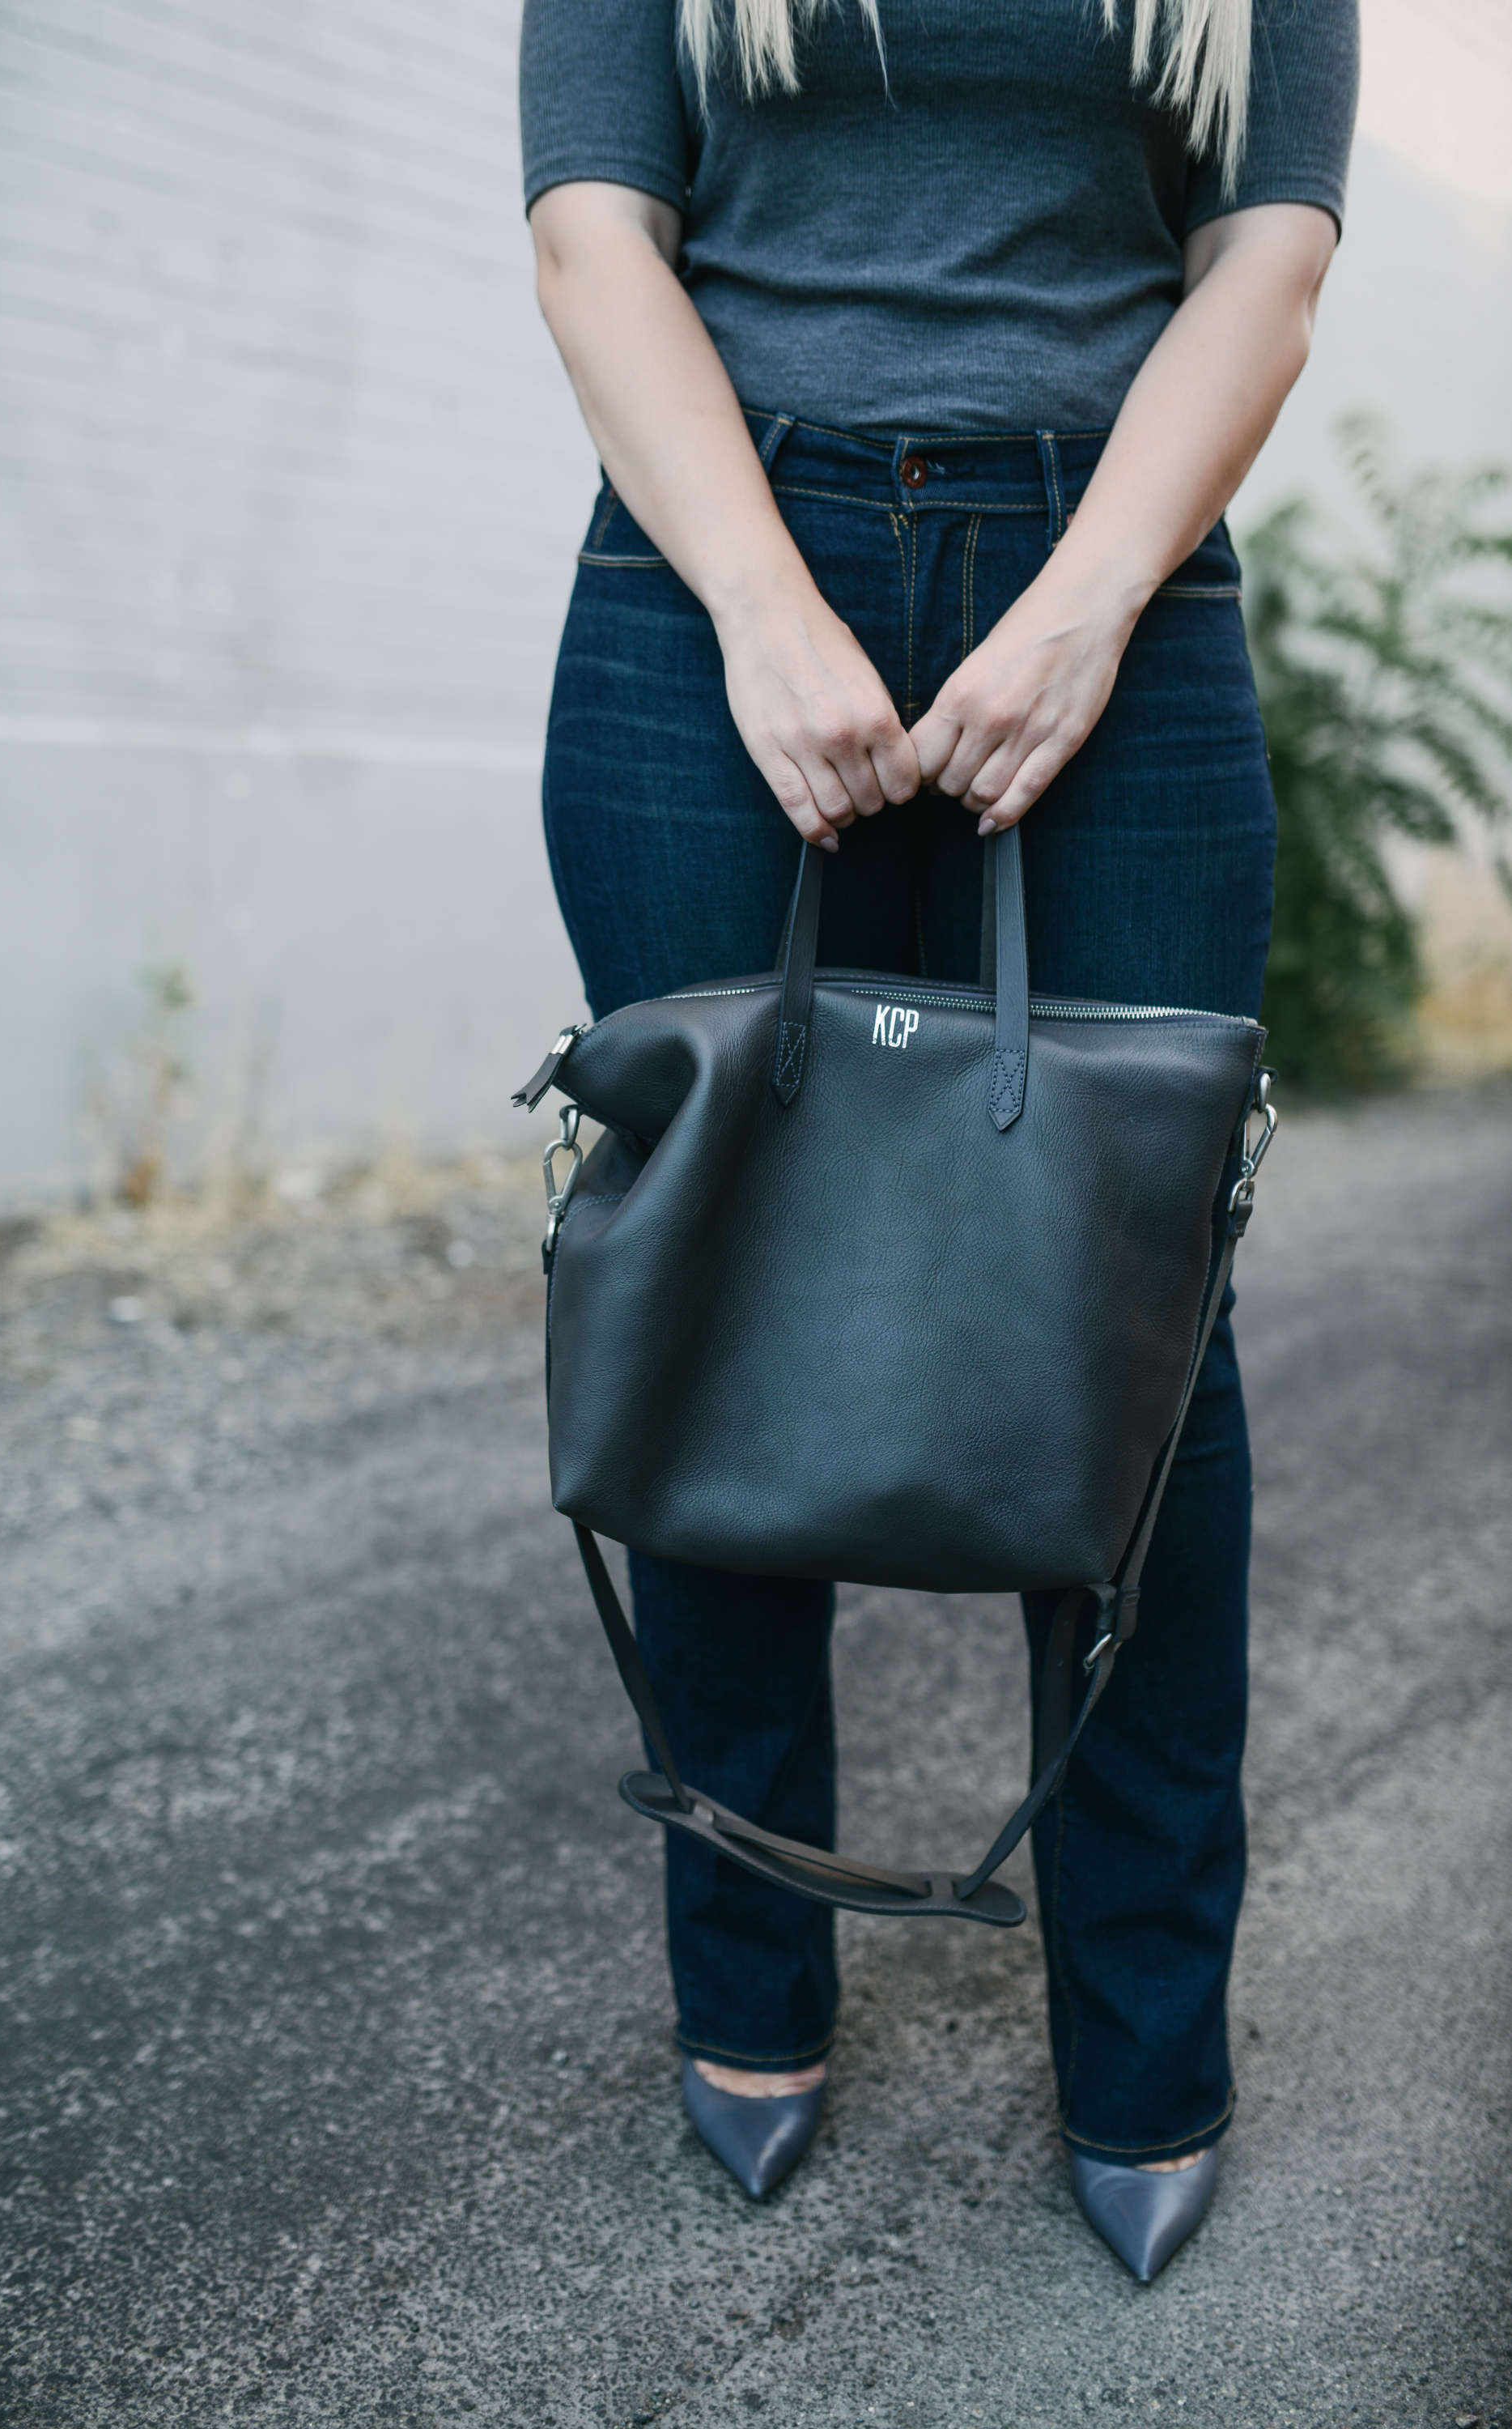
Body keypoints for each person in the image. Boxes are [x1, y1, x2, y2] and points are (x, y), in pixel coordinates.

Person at [519, 0, 1354, 2280]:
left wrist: (1076, 610)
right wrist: (763, 611)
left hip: (1117, 584)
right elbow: (595, 233)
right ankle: (749, 1993)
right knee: (717, 1285)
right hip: (707, 580)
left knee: (1139, 1340)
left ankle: (1143, 2042)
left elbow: (1265, 260)